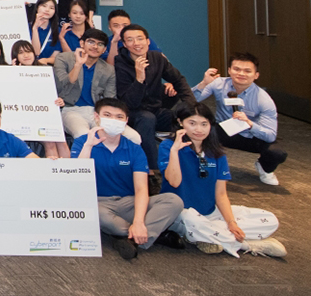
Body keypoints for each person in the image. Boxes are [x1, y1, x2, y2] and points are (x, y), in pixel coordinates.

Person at [160, 105, 285, 257]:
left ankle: (213, 235)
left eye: (204, 124)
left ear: (210, 125)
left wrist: (231, 223)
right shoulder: (167, 146)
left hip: (211, 212)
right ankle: (248, 244)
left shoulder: (217, 152)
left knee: (270, 220)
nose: (198, 129)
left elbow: (221, 194)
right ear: (180, 122)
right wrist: (174, 151)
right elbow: (174, 182)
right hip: (181, 214)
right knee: (192, 220)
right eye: (192, 123)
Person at [72, 98, 184, 260]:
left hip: (128, 202)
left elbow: (141, 189)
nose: (113, 120)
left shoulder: (134, 149)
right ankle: (151, 234)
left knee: (173, 201)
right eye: (107, 115)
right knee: (94, 214)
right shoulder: (82, 142)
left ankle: (129, 237)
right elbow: (76, 179)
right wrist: (88, 146)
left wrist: (138, 221)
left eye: (119, 117)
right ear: (96, 117)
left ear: (126, 121)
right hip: (96, 202)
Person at [193, 52, 287, 185]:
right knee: (198, 129)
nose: (241, 74)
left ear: (256, 75)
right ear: (229, 70)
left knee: (277, 152)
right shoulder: (219, 84)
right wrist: (203, 83)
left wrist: (249, 124)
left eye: (247, 71)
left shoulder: (264, 99)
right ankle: (202, 166)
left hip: (252, 136)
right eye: (236, 69)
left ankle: (264, 167)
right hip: (224, 131)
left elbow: (271, 135)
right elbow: (189, 101)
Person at [115, 24, 195, 171]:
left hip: (155, 109)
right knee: (147, 119)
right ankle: (151, 170)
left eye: (140, 39)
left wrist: (191, 107)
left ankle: (188, 162)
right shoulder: (119, 63)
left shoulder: (157, 58)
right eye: (130, 40)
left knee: (182, 117)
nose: (136, 43)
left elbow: (178, 80)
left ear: (148, 41)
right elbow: (129, 103)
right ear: (125, 44)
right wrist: (139, 79)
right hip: (132, 113)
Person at [55, 29, 140, 143]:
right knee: (84, 135)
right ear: (81, 43)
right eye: (91, 42)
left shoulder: (108, 69)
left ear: (104, 49)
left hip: (97, 112)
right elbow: (60, 86)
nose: (95, 47)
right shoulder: (64, 59)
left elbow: (110, 98)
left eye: (100, 44)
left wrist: (110, 117)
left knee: (133, 137)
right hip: (70, 109)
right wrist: (78, 64)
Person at [28, 0, 62, 64]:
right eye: (44, 6)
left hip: (48, 68)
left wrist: (45, 61)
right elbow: (36, 52)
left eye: (51, 8)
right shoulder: (27, 28)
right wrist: (35, 29)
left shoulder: (57, 31)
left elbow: (55, 57)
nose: (47, 10)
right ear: (37, 8)